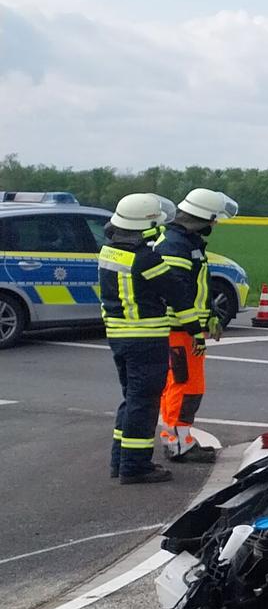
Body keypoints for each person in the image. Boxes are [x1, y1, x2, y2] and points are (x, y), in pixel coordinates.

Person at [154, 187, 237, 464]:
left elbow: (196, 288)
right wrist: (193, 328)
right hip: (180, 330)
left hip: (186, 329)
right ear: (203, 217)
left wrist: (211, 315)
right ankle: (178, 444)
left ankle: (179, 439)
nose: (215, 225)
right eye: (213, 219)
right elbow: (177, 292)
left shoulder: (186, 242)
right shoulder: (176, 246)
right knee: (182, 385)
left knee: (186, 386)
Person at [100, 194, 176, 484]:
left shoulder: (110, 251)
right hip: (146, 339)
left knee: (131, 399)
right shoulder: (146, 258)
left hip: (120, 336)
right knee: (144, 403)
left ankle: (119, 460)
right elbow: (174, 290)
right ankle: (136, 466)